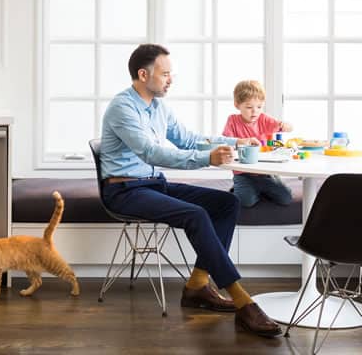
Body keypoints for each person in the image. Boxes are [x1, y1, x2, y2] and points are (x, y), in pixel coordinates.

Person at [100, 44, 281, 337]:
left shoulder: (158, 107)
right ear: (144, 74)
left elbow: (189, 139)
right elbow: (151, 152)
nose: (170, 79)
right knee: (196, 214)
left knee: (227, 203)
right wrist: (206, 159)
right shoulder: (122, 107)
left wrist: (238, 143)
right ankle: (242, 301)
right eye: (165, 74)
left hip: (152, 184)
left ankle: (197, 285)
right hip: (124, 191)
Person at [223, 80, 293, 208]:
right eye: (249, 107)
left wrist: (286, 126)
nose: (255, 111)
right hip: (243, 173)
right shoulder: (232, 120)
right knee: (246, 202)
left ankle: (262, 187)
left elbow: (285, 127)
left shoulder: (264, 119)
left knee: (286, 199)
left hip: (265, 172)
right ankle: (246, 189)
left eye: (259, 107)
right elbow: (226, 141)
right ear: (237, 105)